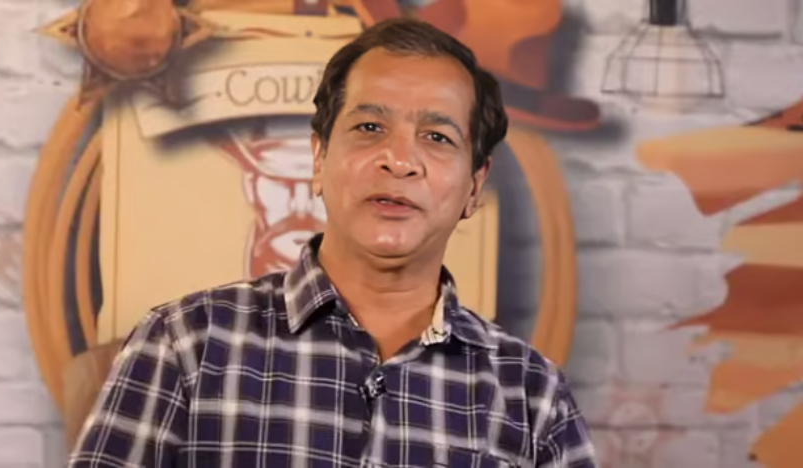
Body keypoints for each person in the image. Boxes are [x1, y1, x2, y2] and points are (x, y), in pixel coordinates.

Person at [68, 17, 598, 468]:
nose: (400, 160)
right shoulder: (186, 345)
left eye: (437, 138)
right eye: (370, 127)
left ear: (475, 187)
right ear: (319, 158)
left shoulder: (532, 396)